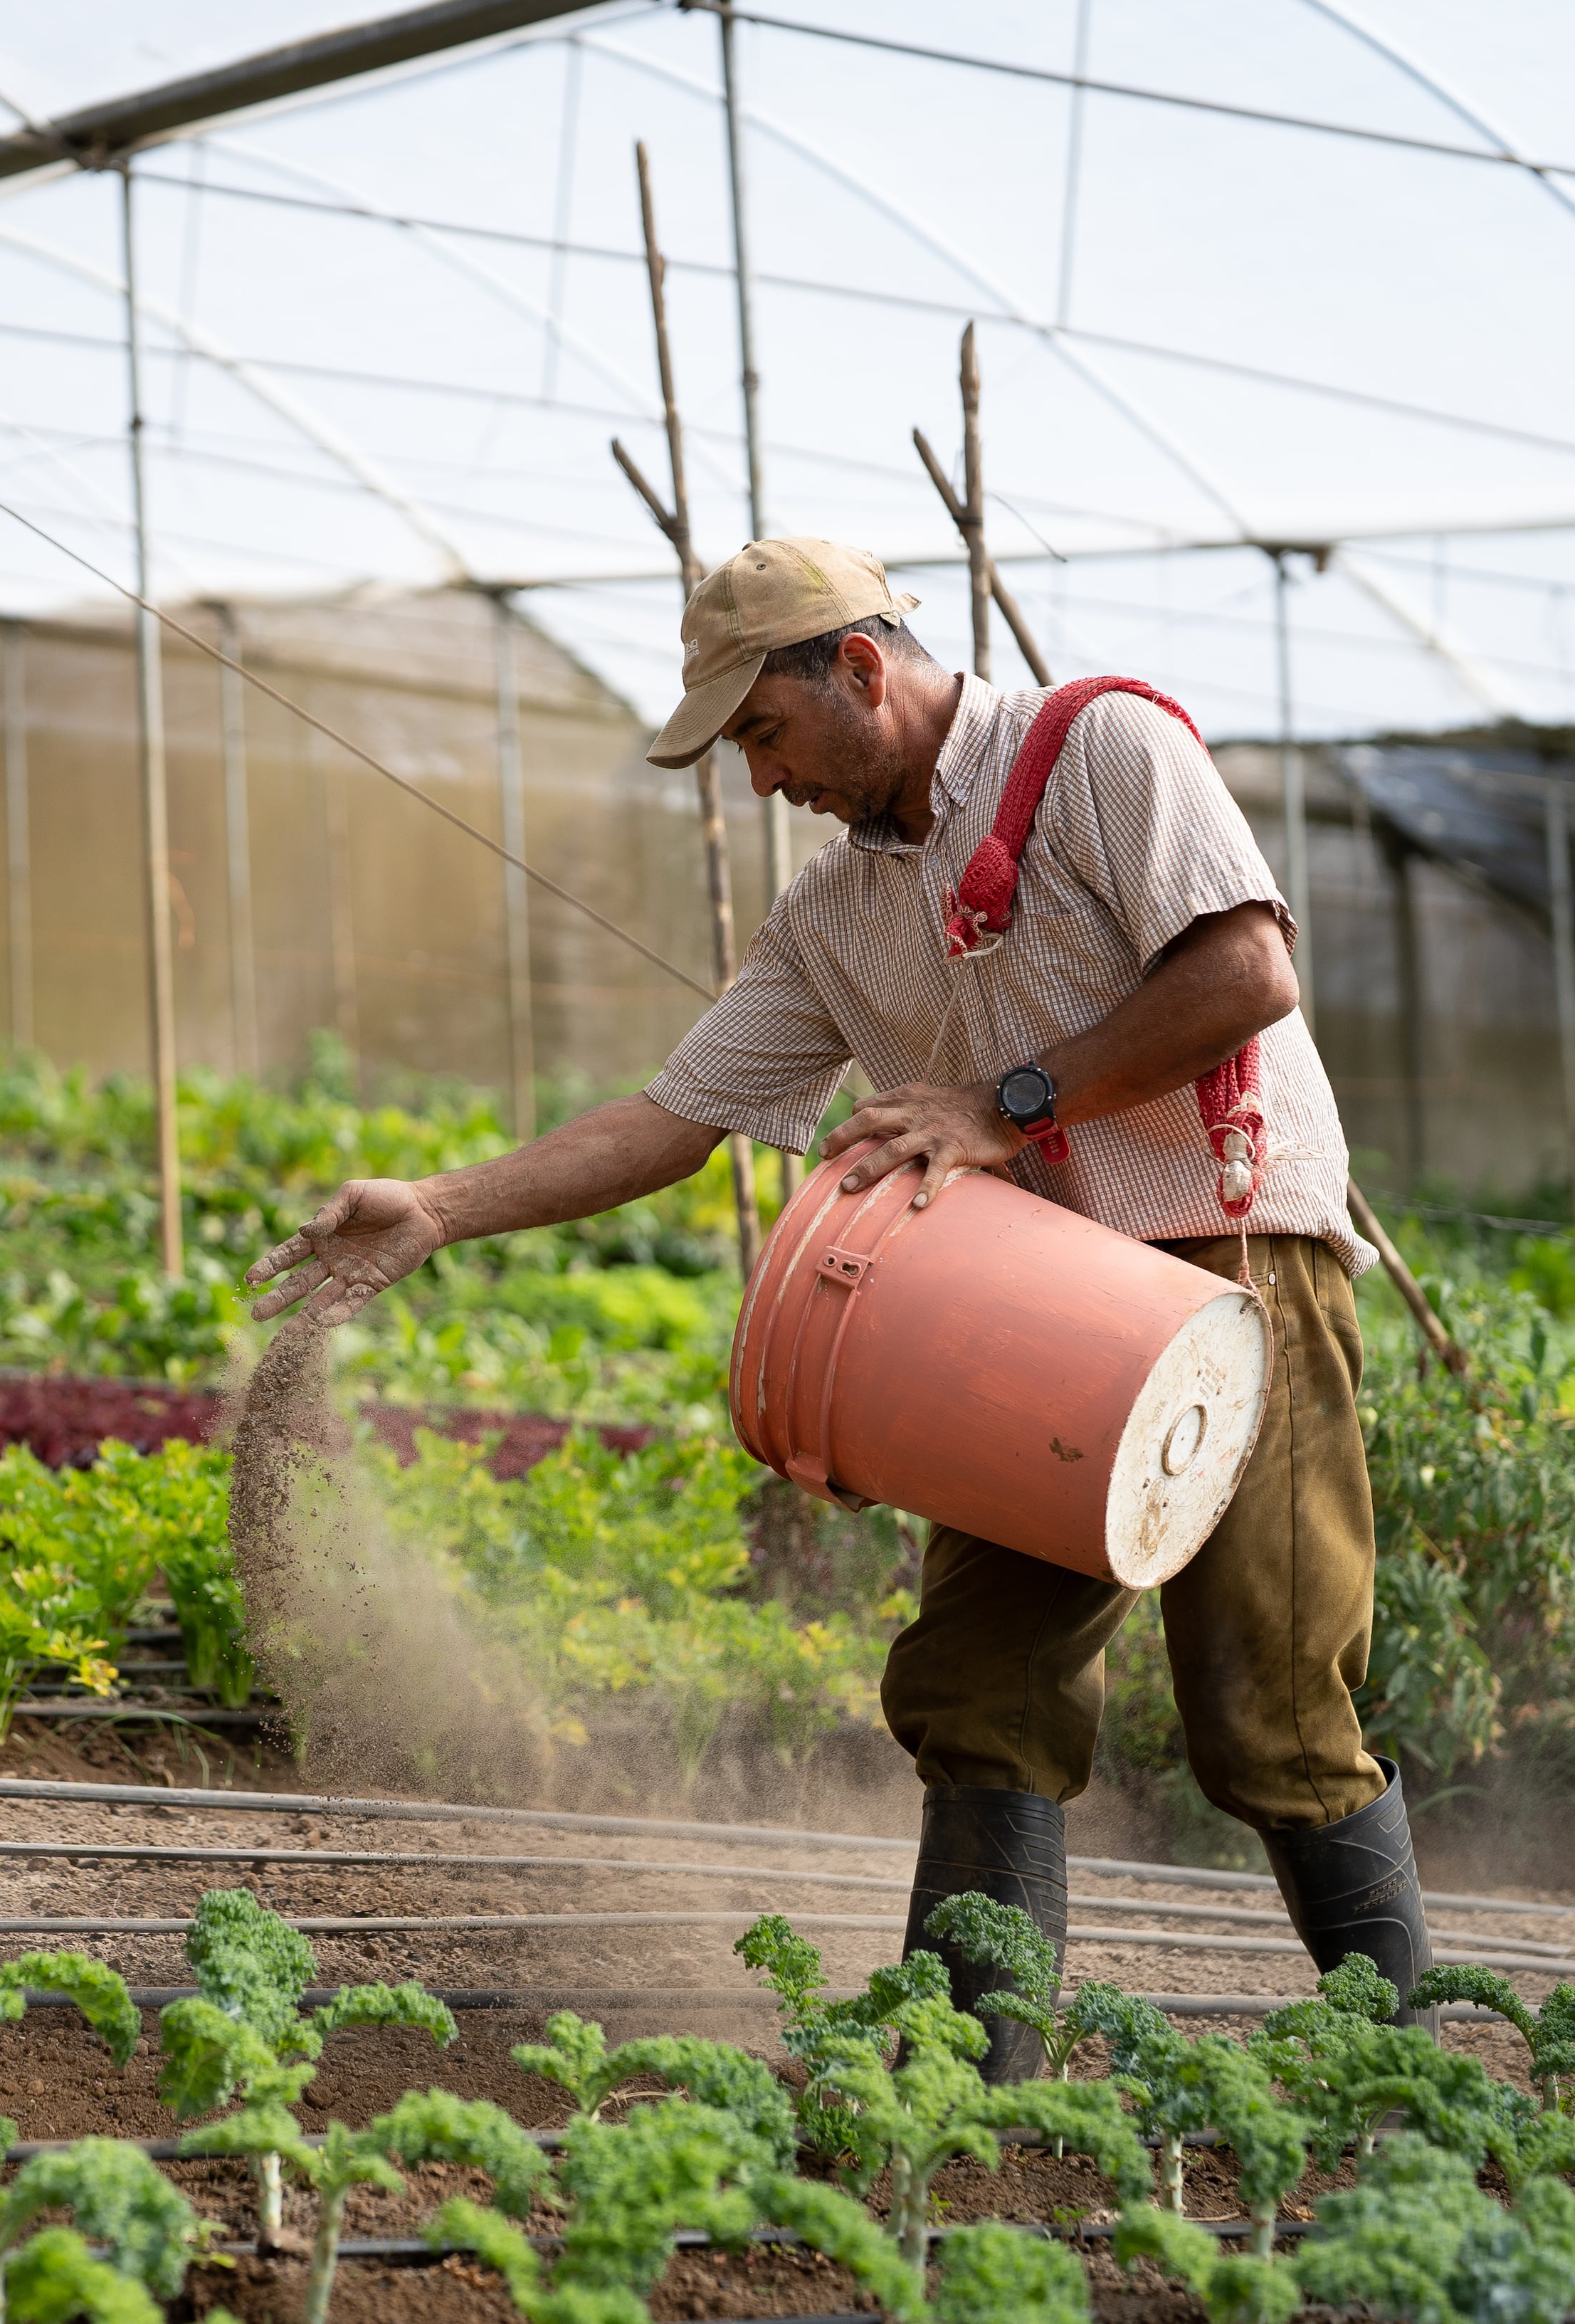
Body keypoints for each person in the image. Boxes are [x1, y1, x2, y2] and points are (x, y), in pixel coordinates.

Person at [245, 537, 1427, 2079]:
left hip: (1228, 1252)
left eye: (761, 731)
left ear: (859, 670)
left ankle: (1407, 2064)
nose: (757, 778)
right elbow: (677, 1116)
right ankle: (965, 2068)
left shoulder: (1102, 751)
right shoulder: (829, 914)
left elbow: (1247, 971)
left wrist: (1004, 1103)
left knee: (1263, 1706)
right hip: (1033, 1308)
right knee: (974, 1687)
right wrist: (442, 1207)